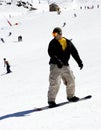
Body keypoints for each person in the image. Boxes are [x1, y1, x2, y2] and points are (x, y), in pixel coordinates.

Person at [48, 27, 83, 108]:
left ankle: (71, 96)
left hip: (65, 65)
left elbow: (74, 53)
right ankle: (51, 101)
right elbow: (51, 53)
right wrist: (58, 61)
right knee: (55, 82)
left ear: (60, 34)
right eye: (53, 34)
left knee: (71, 79)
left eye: (55, 34)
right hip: (55, 65)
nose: (54, 36)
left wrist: (79, 62)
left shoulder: (67, 42)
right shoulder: (52, 43)